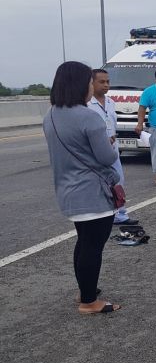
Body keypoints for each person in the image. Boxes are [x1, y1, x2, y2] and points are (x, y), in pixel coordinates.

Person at [43, 61, 122, 314]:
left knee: (84, 242)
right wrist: (109, 143)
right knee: (92, 247)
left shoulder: (51, 115)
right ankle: (89, 301)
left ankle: (85, 290)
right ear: (80, 85)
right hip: (93, 192)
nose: (91, 87)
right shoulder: (89, 116)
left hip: (68, 191)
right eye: (90, 82)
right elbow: (107, 157)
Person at [88, 69, 138, 226]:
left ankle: (120, 214)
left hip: (112, 148)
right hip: (96, 150)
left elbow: (113, 124)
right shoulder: (87, 104)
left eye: (108, 82)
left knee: (118, 180)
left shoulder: (111, 102)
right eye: (101, 82)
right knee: (98, 183)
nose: (106, 85)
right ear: (92, 83)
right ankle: (101, 215)